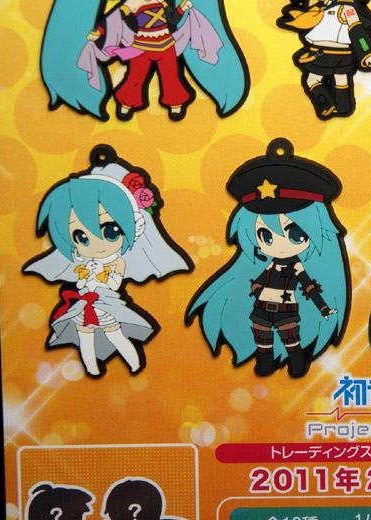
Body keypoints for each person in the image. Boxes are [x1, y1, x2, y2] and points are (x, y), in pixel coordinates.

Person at [188, 138, 349, 377]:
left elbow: (308, 286)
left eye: (295, 234)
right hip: (261, 309)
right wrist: (255, 287)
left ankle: (296, 365)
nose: (280, 245)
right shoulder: (269, 264)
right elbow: (261, 279)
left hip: (286, 310)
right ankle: (264, 364)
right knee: (262, 339)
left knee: (290, 340)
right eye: (265, 236)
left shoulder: (296, 266)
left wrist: (323, 308)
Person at [24, 145, 190, 376]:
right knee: (84, 336)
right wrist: (86, 277)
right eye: (81, 236)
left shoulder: (117, 262)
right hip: (84, 304)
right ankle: (92, 368)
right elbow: (82, 281)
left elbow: (113, 283)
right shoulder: (83, 261)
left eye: (110, 231)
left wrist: (97, 278)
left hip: (106, 304)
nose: (96, 243)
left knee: (115, 334)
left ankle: (134, 364)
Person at [41, 0, 248, 120]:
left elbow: (173, 20)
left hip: (166, 45)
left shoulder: (163, 1)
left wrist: (182, 9)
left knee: (170, 76)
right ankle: (126, 103)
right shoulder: (131, 3)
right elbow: (113, 19)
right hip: (140, 47)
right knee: (135, 77)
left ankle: (175, 103)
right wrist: (99, 32)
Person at [277, 0, 371, 118]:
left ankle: (327, 104)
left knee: (312, 80)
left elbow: (358, 31)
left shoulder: (347, 9)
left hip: (326, 53)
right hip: (341, 55)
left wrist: (367, 52)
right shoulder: (326, 7)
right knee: (341, 79)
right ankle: (343, 106)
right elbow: (357, 31)